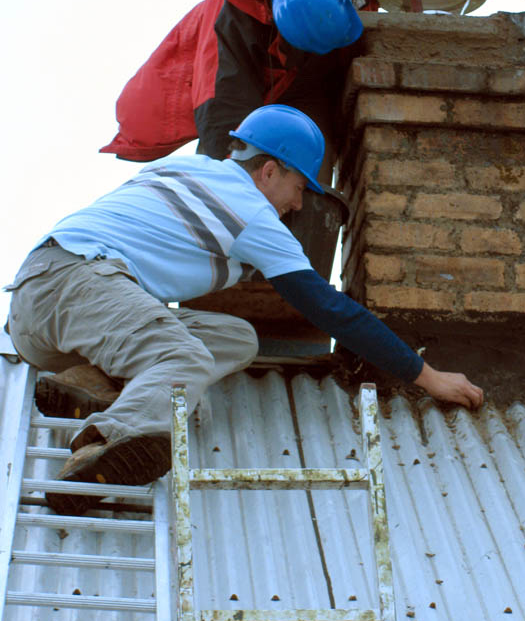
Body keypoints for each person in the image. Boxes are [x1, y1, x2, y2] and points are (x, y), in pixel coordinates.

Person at [6, 105, 483, 516]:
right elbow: (332, 310)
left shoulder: (183, 171)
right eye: (298, 186)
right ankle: (103, 446)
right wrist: (428, 377)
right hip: (80, 281)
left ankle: (88, 383)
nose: (297, 204)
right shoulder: (250, 212)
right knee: (184, 359)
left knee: (236, 338)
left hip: (42, 312)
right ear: (269, 171)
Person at [100, 0, 391, 181]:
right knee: (236, 162)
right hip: (242, 88)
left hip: (304, 76)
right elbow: (223, 112)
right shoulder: (231, 14)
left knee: (309, 164)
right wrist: (235, 193)